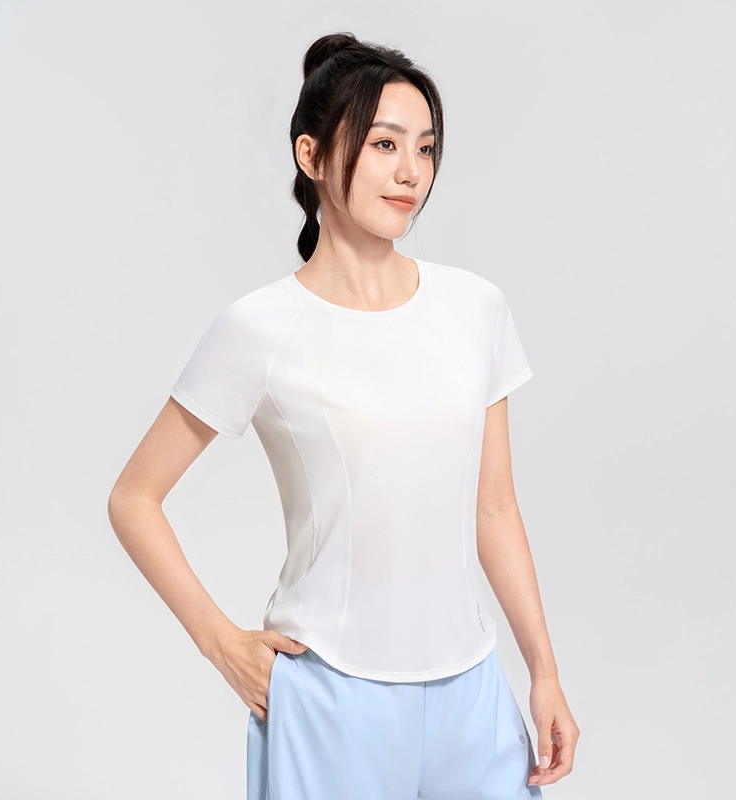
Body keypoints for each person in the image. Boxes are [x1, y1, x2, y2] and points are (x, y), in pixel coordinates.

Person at [108, 31, 579, 800]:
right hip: (329, 699)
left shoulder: (475, 309)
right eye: (384, 143)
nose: (410, 171)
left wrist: (544, 672)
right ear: (313, 155)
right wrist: (220, 644)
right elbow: (134, 498)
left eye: (425, 148)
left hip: (474, 696)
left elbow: (493, 507)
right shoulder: (259, 329)